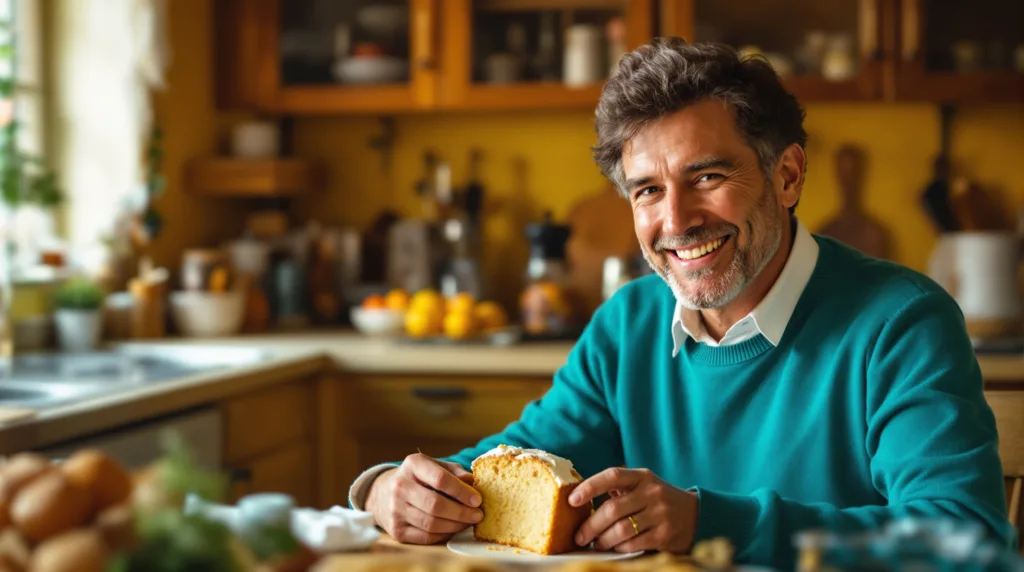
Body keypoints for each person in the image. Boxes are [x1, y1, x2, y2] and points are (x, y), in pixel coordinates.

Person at [347, 38, 1013, 568]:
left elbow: (966, 544)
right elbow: (512, 464)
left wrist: (709, 521)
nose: (677, 220)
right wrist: (385, 490)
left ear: (787, 175)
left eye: (708, 177)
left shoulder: (900, 322)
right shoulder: (628, 325)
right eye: (647, 192)